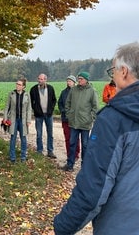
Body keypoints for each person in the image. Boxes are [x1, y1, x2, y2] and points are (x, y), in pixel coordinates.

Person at [54, 42, 139, 234]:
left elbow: (93, 190)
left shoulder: (114, 119)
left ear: (124, 71)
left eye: (113, 71)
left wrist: (62, 227)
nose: (113, 76)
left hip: (120, 226)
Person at [62, 71, 99, 172]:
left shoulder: (92, 91)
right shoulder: (73, 90)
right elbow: (67, 103)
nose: (79, 80)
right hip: (73, 122)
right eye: (78, 78)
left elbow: (95, 107)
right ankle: (70, 164)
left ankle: (85, 167)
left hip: (85, 124)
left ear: (86, 80)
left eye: (81, 79)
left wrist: (90, 118)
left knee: (85, 145)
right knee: (72, 143)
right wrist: (69, 115)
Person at [3, 78, 31, 163]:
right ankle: (12, 157)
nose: (17, 85)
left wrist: (28, 120)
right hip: (13, 119)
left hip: (23, 120)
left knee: (23, 138)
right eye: (17, 84)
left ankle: (23, 157)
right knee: (13, 138)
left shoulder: (27, 95)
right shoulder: (11, 94)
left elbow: (29, 109)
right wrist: (5, 118)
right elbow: (6, 107)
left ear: (23, 86)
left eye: (19, 84)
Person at [30, 73, 57, 158]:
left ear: (45, 80)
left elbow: (54, 100)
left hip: (48, 115)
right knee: (39, 133)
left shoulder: (50, 88)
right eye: (39, 79)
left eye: (42, 79)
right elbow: (32, 102)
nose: (40, 80)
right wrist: (36, 110)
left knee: (50, 134)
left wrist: (51, 110)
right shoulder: (33, 89)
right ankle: (39, 150)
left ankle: (50, 151)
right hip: (39, 115)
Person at [57, 75, 80, 161]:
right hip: (65, 118)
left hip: (75, 119)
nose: (68, 82)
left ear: (74, 82)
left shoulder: (78, 92)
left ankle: (76, 154)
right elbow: (59, 103)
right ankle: (69, 155)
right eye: (67, 81)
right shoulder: (63, 92)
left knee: (75, 138)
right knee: (67, 138)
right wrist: (63, 110)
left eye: (70, 81)